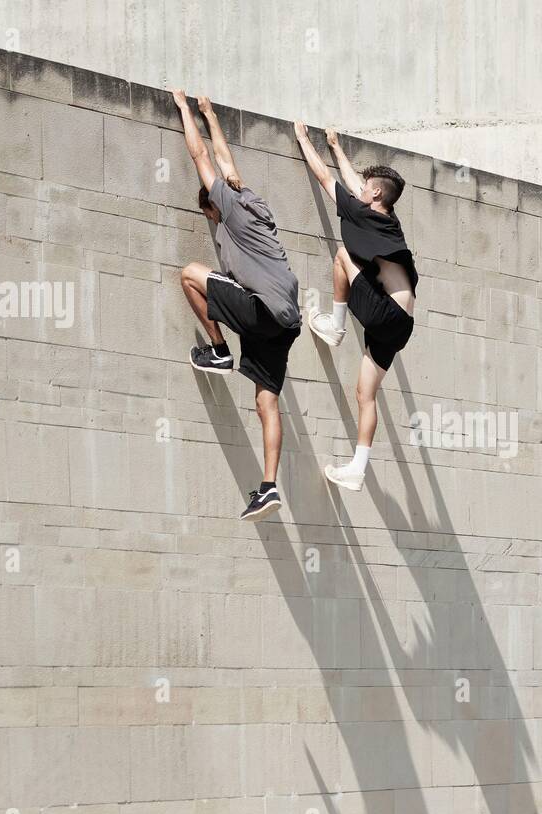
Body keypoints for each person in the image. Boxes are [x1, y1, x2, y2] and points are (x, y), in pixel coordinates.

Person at [175, 90, 301, 521]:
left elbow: (201, 157)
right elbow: (227, 161)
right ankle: (268, 488)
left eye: (209, 216)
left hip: (262, 310)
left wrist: (183, 110)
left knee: (190, 273)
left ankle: (219, 349)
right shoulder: (254, 203)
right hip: (286, 322)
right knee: (267, 401)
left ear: (213, 208)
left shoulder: (228, 208)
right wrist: (210, 113)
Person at [294, 122, 417, 493]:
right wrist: (335, 144)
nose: (360, 190)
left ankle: (336, 324)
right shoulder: (388, 220)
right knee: (365, 393)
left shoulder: (363, 214)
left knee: (344, 254)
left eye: (367, 187)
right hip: (401, 324)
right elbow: (353, 183)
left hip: (384, 315)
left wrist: (303, 139)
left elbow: (325, 179)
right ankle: (357, 469)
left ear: (376, 193)